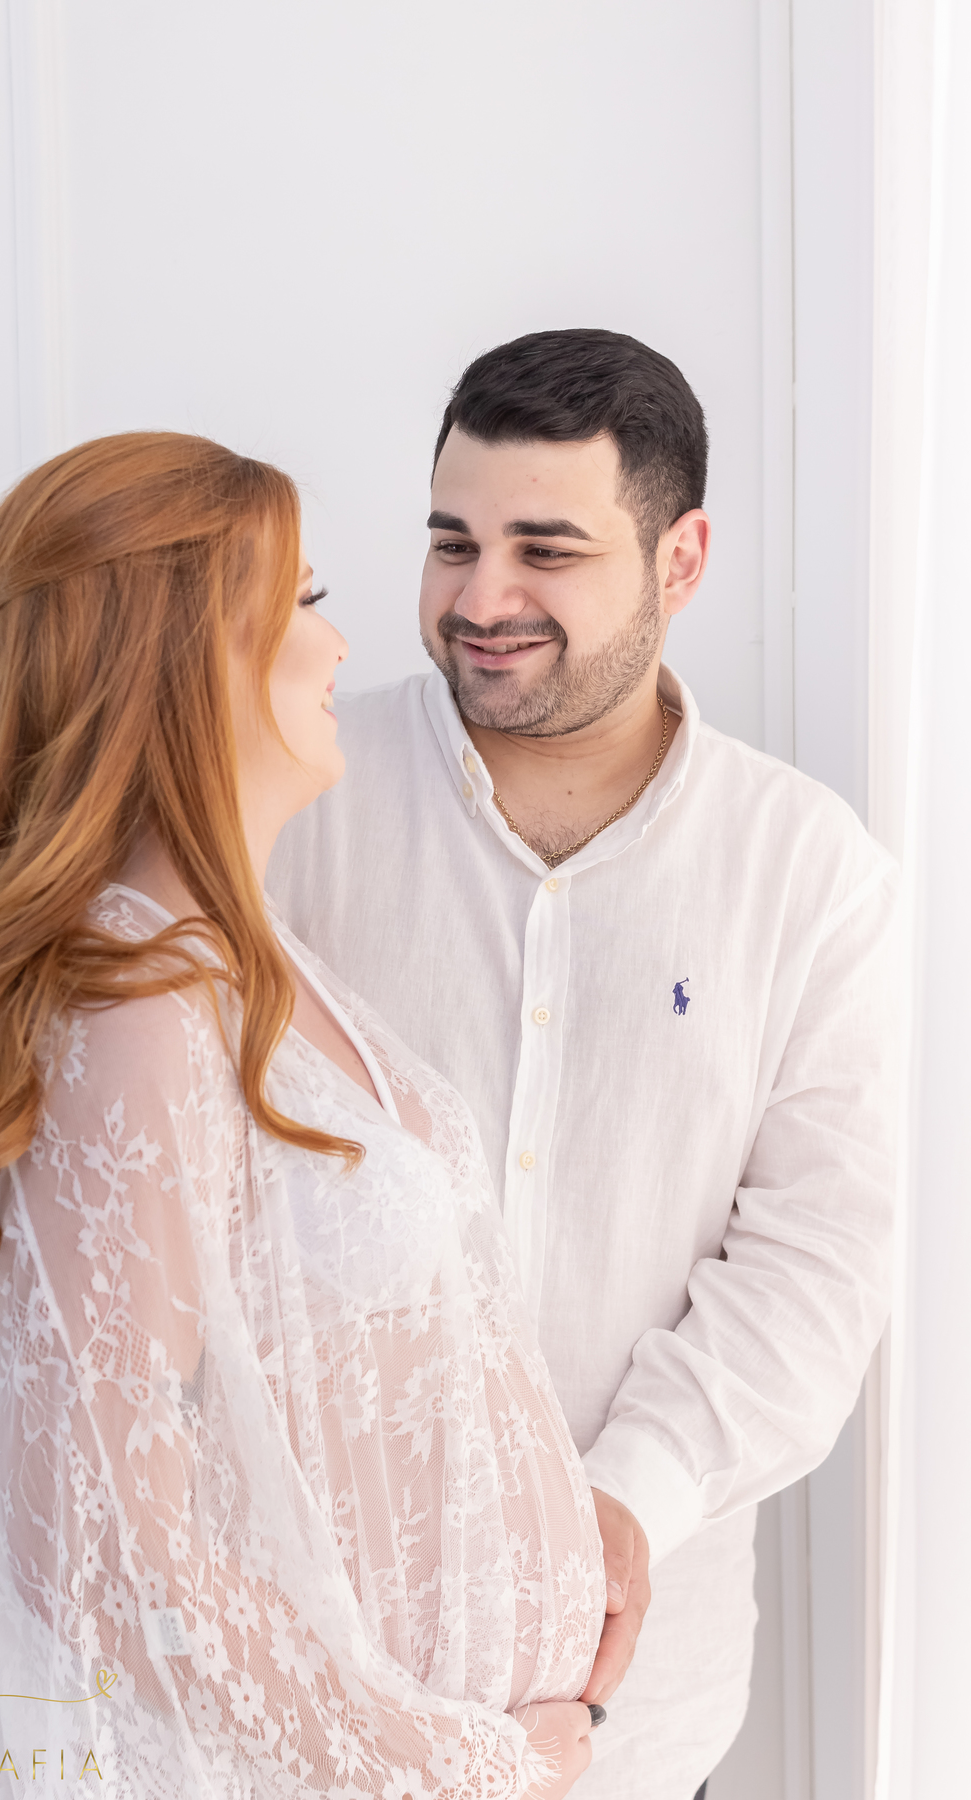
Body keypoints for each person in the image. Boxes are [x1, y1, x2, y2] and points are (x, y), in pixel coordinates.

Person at [0, 432, 609, 1799]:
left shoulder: (251, 961)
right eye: (308, 603)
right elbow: (94, 1537)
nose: (341, 650)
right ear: (184, 658)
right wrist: (457, 1762)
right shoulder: (136, 1002)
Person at [267, 329, 898, 1799]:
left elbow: (816, 1267)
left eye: (545, 550)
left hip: (628, 1712)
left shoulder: (810, 874)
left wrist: (615, 1504)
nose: (481, 602)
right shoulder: (293, 802)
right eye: (452, 542)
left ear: (680, 561)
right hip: (313, 1675)